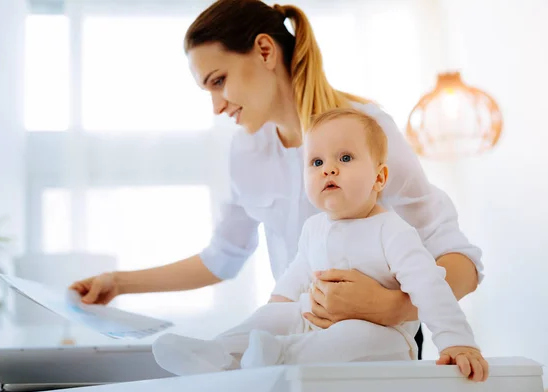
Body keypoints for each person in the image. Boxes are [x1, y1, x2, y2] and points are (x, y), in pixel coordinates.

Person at [70, 0, 483, 362]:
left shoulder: (368, 132)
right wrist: (119, 283)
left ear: (265, 50)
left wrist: (391, 307)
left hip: (373, 345)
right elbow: (222, 257)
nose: (216, 106)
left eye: (219, 81)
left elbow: (458, 259)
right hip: (301, 329)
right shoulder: (245, 152)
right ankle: (220, 353)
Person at [150, 108, 489, 382]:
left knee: (352, 337)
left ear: (380, 178)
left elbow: (430, 287)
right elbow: (296, 275)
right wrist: (276, 310)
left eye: (344, 159)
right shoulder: (314, 228)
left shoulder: (393, 231)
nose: (329, 170)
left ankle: (279, 356)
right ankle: (217, 352)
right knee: (273, 316)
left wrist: (457, 341)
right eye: (317, 163)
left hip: (382, 336)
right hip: (312, 319)